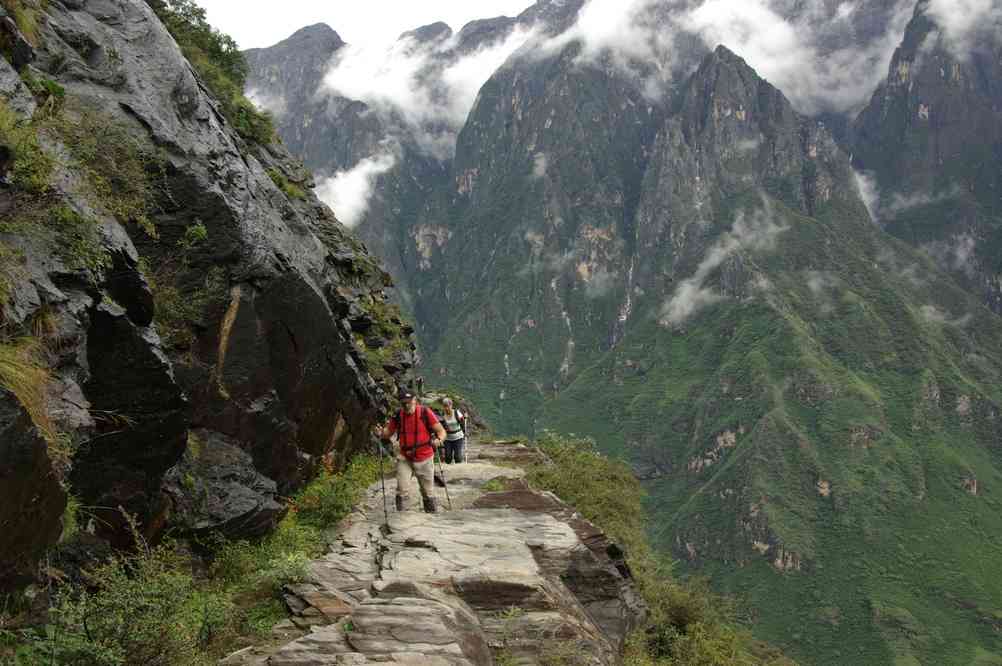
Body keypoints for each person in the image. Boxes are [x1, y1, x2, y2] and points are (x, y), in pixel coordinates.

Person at [375, 388, 446, 512]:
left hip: (425, 457)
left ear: (415, 400)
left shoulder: (425, 412)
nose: (406, 405)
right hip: (405, 457)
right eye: (403, 403)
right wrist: (380, 432)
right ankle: (402, 518)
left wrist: (439, 440)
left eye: (409, 402)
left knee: (427, 492)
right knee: (402, 489)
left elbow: (441, 431)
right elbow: (387, 433)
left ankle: (431, 516)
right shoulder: (398, 415)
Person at [439, 398, 468, 464]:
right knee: (448, 457)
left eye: (447, 406)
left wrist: (464, 432)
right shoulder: (442, 414)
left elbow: (462, 422)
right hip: (447, 438)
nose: (446, 408)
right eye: (444, 406)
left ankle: (458, 471)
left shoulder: (456, 413)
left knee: (457, 456)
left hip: (458, 437)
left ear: (451, 405)